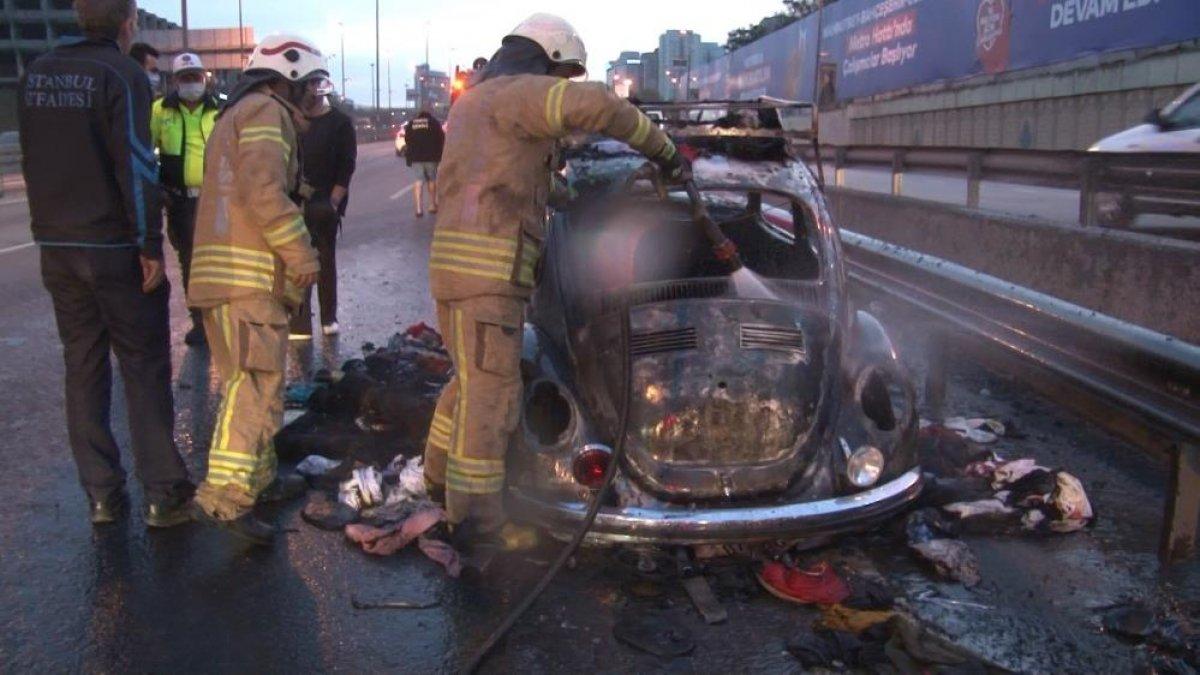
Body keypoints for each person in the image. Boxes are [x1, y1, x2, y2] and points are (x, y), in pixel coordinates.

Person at [423, 13, 690, 549]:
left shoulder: (479, 103)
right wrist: (663, 151)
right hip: (488, 274)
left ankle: (436, 476)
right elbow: (601, 106)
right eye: (560, 74)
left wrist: (585, 197)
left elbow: (522, 186)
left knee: (470, 383)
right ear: (545, 60)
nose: (561, 85)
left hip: (457, 269)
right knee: (493, 398)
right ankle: (476, 521)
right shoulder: (520, 94)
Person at [18, 0, 193, 528]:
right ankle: (164, 494)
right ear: (128, 23)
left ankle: (101, 495)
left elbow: (33, 159)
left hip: (58, 246)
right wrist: (148, 245)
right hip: (115, 248)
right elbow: (137, 163)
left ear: (77, 17)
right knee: (142, 366)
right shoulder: (122, 74)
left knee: (83, 366)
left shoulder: (35, 75)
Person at [186, 33, 325, 545]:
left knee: (254, 382)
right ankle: (224, 500)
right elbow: (264, 190)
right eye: (309, 84)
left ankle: (260, 479)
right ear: (285, 79)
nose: (314, 96)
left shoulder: (238, 113)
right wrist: (302, 255)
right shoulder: (268, 113)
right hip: (249, 281)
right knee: (256, 386)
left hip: (224, 280)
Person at [150, 52, 218, 346]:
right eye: (186, 78)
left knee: (218, 261)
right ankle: (200, 322)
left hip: (215, 200)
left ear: (205, 78)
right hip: (179, 201)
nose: (192, 83)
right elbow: (144, 151)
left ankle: (221, 318)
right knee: (189, 261)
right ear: (175, 80)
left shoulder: (221, 110)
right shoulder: (159, 110)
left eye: (196, 77)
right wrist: (158, 188)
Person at [288, 75, 357, 339]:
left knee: (325, 261)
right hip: (293, 204)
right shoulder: (291, 122)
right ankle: (299, 322)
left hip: (324, 204)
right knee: (296, 262)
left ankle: (329, 318)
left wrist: (334, 201)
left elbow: (346, 166)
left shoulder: (339, 123)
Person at [404, 110, 444, 218]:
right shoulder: (434, 123)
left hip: (416, 157)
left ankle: (418, 209)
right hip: (431, 157)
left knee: (418, 181)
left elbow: (407, 139)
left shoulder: (411, 123)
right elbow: (441, 139)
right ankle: (432, 205)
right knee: (432, 180)